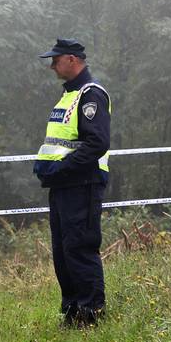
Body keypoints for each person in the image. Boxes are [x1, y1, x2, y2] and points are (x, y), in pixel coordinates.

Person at [33, 39, 111, 327]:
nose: (52, 65)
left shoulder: (91, 95)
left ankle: (90, 313)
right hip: (62, 186)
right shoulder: (68, 96)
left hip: (82, 184)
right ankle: (72, 311)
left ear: (71, 59)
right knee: (63, 252)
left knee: (80, 248)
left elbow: (97, 143)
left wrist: (62, 169)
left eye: (56, 60)